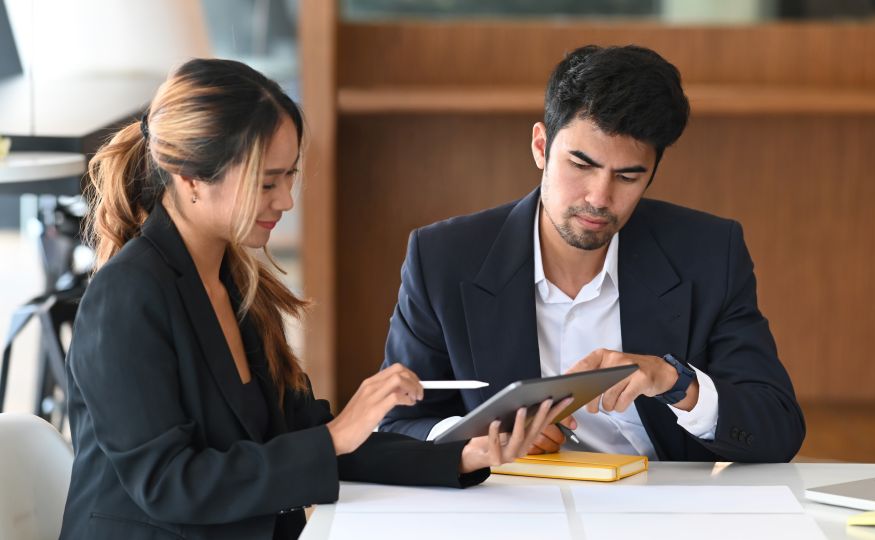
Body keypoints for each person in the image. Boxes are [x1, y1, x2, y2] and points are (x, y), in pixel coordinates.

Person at [59, 58, 568, 540]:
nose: (286, 201)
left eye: (290, 177)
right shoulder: (124, 299)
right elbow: (168, 485)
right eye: (267, 182)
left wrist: (463, 455)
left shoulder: (235, 284)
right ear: (191, 178)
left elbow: (307, 435)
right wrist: (334, 437)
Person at [379, 45, 805, 463]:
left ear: (652, 174)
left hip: (658, 509)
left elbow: (778, 429)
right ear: (541, 147)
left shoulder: (709, 253)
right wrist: (475, 442)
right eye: (581, 166)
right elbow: (397, 423)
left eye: (627, 176)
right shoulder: (442, 259)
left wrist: (678, 384)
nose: (599, 198)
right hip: (506, 503)